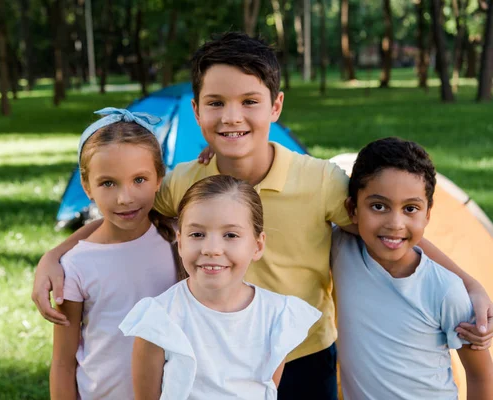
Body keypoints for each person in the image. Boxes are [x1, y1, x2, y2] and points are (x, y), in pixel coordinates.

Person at [35, 33, 493, 399]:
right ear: (196, 111)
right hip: (216, 358)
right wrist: (57, 253)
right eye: (215, 103)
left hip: (305, 356)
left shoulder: (321, 182)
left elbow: (387, 233)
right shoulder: (183, 182)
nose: (232, 116)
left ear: (275, 106)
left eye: (249, 101)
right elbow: (126, 215)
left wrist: (468, 281)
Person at [120, 175, 321, 399]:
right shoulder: (159, 319)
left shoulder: (277, 316)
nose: (212, 249)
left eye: (230, 235)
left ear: (257, 245)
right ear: (181, 241)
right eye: (197, 234)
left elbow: (267, 389)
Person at [332, 137, 493, 399]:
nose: (395, 223)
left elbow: (480, 375)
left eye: (410, 209)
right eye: (378, 206)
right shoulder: (341, 248)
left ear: (428, 215)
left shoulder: (447, 290)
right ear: (352, 209)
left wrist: (469, 283)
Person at [49, 108, 182, 400]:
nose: (125, 198)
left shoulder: (178, 242)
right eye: (108, 183)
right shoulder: (76, 264)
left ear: (159, 178)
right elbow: (62, 361)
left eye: (139, 180)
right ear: (87, 187)